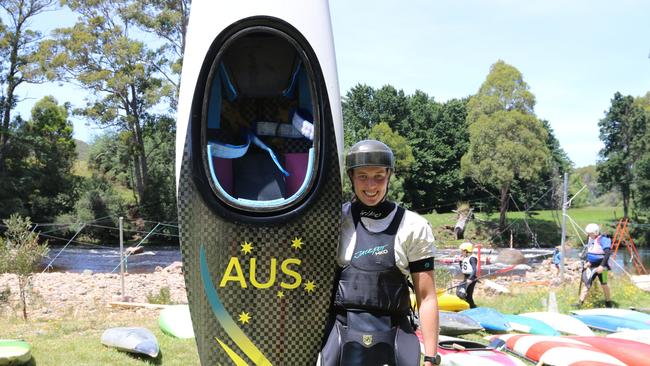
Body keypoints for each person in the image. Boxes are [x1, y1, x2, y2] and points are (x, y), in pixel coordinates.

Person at [319, 140, 440, 366]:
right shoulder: (335, 220)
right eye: (362, 176)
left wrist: (432, 357)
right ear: (351, 177)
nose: (371, 185)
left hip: (394, 335)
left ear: (389, 175)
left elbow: (427, 297)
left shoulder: (414, 226)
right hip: (341, 335)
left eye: (379, 176)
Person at [577, 223, 613, 308]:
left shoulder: (603, 239)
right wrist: (588, 262)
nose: (588, 235)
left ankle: (608, 303)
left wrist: (601, 266)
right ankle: (580, 304)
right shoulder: (590, 238)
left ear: (596, 232)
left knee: (604, 284)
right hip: (591, 266)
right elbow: (590, 251)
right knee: (587, 284)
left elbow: (608, 253)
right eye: (588, 233)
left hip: (602, 267)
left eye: (590, 233)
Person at [457, 242, 478, 308]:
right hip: (466, 277)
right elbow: (463, 269)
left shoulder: (472, 258)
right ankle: (468, 307)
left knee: (468, 296)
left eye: (462, 251)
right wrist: (460, 261)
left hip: (471, 278)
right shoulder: (465, 258)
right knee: (461, 293)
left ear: (466, 251)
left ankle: (473, 308)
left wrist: (470, 279)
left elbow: (474, 269)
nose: (461, 252)